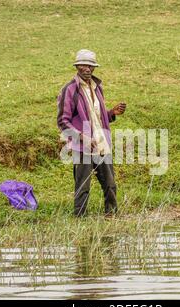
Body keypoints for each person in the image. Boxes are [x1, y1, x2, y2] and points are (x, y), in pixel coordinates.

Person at [57, 49, 126, 217]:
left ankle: (112, 216)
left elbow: (97, 119)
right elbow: (62, 122)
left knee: (110, 184)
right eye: (83, 65)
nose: (87, 69)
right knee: (83, 187)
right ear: (77, 66)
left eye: (90, 66)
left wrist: (111, 113)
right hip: (83, 147)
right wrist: (83, 138)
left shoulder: (97, 87)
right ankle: (79, 218)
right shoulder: (70, 89)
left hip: (101, 143)